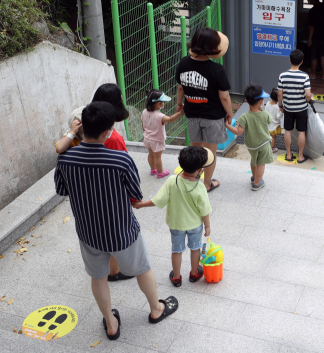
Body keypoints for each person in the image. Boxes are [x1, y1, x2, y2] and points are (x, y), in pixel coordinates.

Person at [54, 102, 178, 340]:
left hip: (88, 232)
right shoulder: (120, 160)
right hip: (121, 230)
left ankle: (111, 324)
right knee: (142, 268)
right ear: (105, 132)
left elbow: (62, 190)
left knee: (98, 276)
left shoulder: (65, 159)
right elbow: (135, 195)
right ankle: (156, 309)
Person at [56, 83, 134, 282]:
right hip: (111, 199)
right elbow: (127, 173)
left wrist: (71, 134)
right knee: (115, 238)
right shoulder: (114, 139)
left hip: (86, 209)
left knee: (97, 248)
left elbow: (61, 188)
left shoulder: (72, 149)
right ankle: (115, 270)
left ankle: (108, 274)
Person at [132, 146, 213, 287]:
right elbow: (204, 211)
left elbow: (158, 200)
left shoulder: (171, 181)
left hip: (176, 225)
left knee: (176, 250)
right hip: (195, 225)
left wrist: (141, 204)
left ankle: (176, 277)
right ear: (199, 171)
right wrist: (207, 226)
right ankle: (194, 273)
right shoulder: (200, 187)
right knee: (195, 248)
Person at [176, 27, 231, 193]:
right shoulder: (217, 69)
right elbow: (225, 97)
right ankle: (207, 184)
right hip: (213, 116)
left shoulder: (183, 63)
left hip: (192, 113)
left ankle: (191, 178)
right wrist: (229, 112)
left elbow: (180, 88)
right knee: (209, 152)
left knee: (194, 148)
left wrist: (179, 104)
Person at [226, 85, 273, 191]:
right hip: (264, 143)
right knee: (261, 163)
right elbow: (270, 122)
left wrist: (228, 126)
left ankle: (253, 177)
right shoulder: (265, 114)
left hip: (251, 145)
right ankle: (257, 183)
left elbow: (238, 132)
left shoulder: (244, 117)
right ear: (262, 102)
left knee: (253, 160)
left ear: (246, 100)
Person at [277, 49, 312, 164]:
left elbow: (279, 93)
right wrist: (307, 101)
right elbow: (308, 94)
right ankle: (301, 156)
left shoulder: (282, 75)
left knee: (288, 130)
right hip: (301, 108)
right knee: (301, 132)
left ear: (289, 60)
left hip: (288, 108)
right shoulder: (305, 76)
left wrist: (281, 105)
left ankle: (288, 154)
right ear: (301, 62)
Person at [142, 89, 184, 178]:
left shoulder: (144, 111)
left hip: (147, 138)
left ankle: (153, 170)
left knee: (150, 154)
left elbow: (143, 125)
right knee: (157, 157)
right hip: (157, 140)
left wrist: (147, 133)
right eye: (162, 102)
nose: (163, 104)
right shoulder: (159, 116)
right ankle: (161, 172)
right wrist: (179, 113)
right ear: (157, 104)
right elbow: (170, 119)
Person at [265, 88, 282, 153]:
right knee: (273, 138)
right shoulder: (276, 107)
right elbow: (278, 117)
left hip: (268, 124)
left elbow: (265, 112)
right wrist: (282, 112)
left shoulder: (267, 103)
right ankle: (272, 149)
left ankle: (266, 147)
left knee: (267, 137)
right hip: (274, 125)